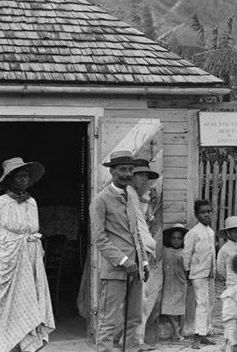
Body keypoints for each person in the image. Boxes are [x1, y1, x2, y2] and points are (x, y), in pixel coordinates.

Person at [0, 157, 55, 352]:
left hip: (30, 257)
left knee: (28, 301)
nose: (23, 180)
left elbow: (33, 229)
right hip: (7, 258)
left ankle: (27, 343)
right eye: (19, 176)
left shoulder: (32, 202)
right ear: (9, 180)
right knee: (5, 304)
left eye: (26, 176)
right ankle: (5, 345)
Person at [90, 151, 152, 352]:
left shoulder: (130, 198)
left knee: (134, 318)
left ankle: (131, 349)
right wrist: (124, 260)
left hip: (136, 268)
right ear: (112, 171)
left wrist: (144, 262)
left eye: (130, 170)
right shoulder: (101, 200)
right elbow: (99, 238)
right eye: (122, 169)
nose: (127, 174)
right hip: (115, 270)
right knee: (108, 319)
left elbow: (136, 232)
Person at [131, 161, 161, 351]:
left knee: (141, 297)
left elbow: (144, 223)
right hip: (137, 250)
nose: (145, 180)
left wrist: (150, 204)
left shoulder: (139, 198)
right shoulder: (128, 195)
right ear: (132, 176)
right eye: (141, 175)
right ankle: (135, 341)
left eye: (147, 177)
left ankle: (133, 339)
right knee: (139, 298)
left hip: (144, 249)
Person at [183, 199, 216, 349]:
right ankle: (197, 336)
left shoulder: (211, 232)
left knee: (209, 303)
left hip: (209, 273)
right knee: (201, 304)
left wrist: (213, 270)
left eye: (209, 211)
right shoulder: (193, 233)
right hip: (197, 273)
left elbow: (211, 253)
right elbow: (187, 254)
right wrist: (187, 271)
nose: (206, 214)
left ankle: (203, 333)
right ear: (196, 215)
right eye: (203, 212)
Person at [160, 223, 189, 341]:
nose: (176, 241)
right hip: (168, 282)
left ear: (183, 240)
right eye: (173, 238)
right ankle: (175, 329)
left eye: (179, 238)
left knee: (181, 308)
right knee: (167, 306)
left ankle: (180, 331)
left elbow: (187, 269)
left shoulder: (185, 252)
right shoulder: (166, 251)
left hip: (180, 282)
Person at [216, 216, 237, 288]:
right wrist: (230, 277)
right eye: (233, 230)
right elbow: (220, 268)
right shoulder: (224, 249)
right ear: (227, 232)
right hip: (232, 283)